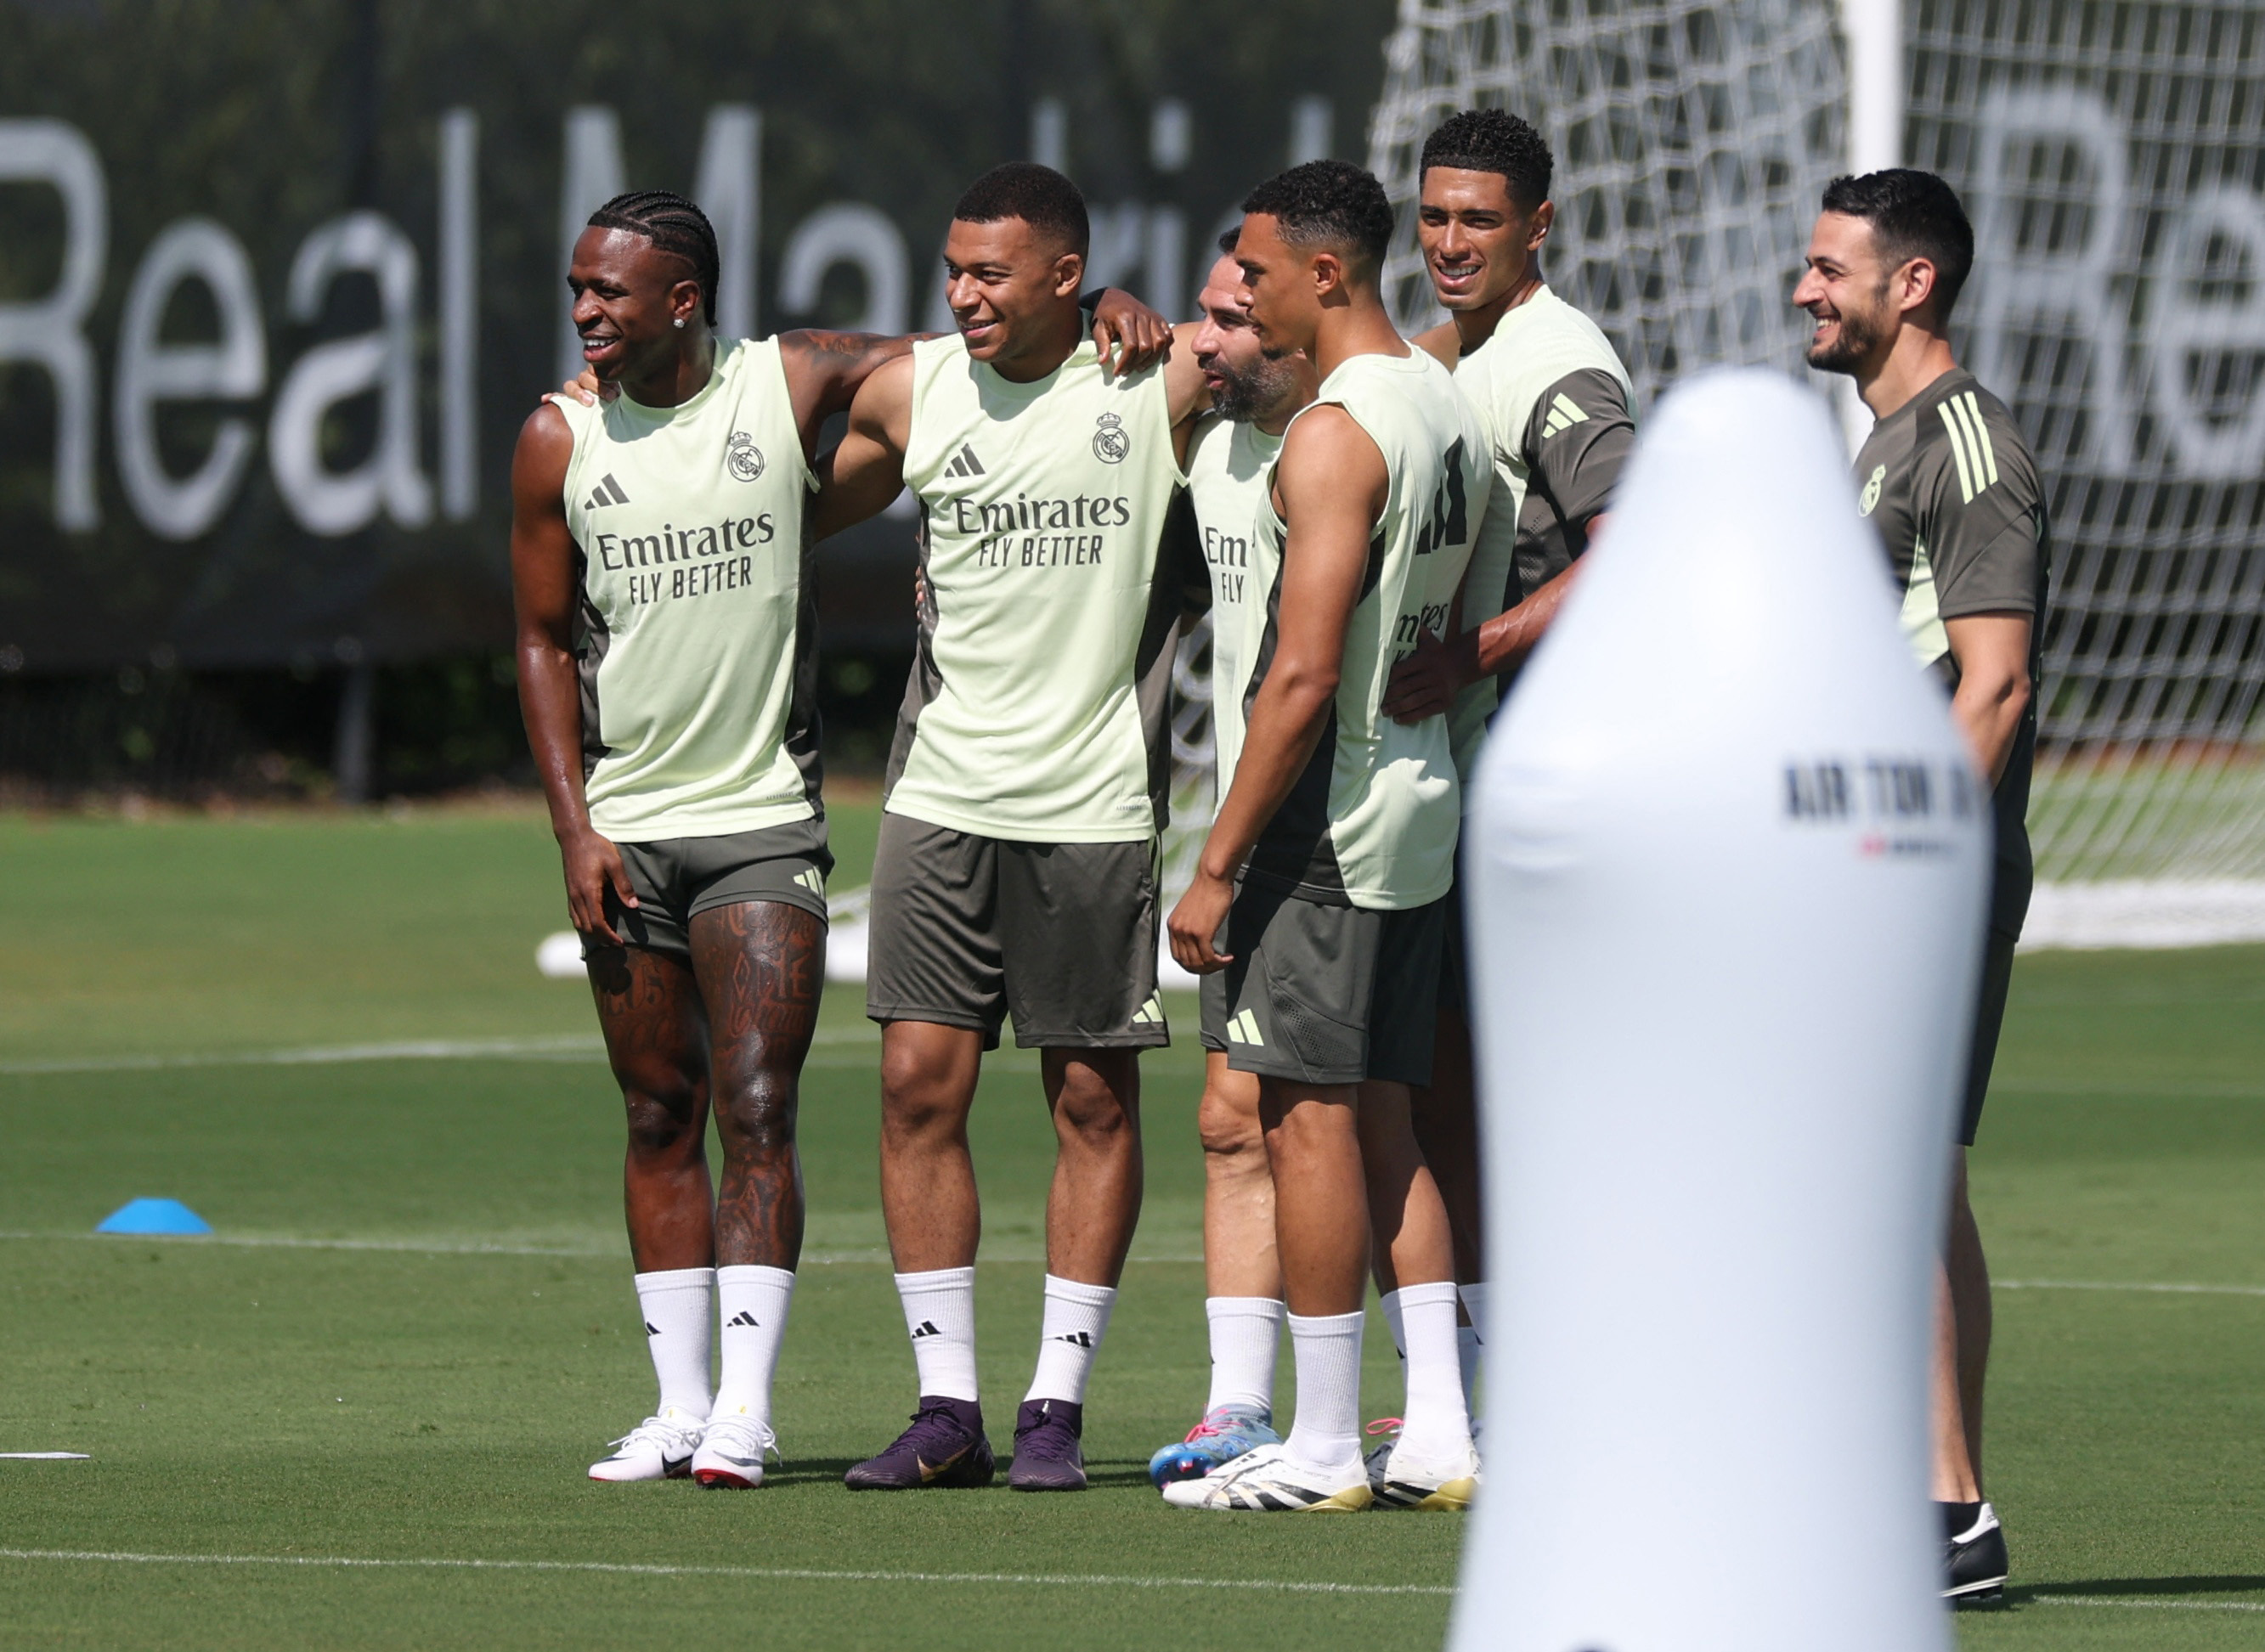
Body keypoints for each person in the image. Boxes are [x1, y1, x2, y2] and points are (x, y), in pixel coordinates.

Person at [513, 189, 1166, 1491]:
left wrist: (1099, 309)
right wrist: (574, 825)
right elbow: (537, 633)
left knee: (759, 1103)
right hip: (627, 824)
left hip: (763, 817)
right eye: (578, 287)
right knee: (658, 1110)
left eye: (609, 292)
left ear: (682, 301)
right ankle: (678, 1403)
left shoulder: (790, 379)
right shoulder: (556, 437)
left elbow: (974, 343)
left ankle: (749, 1414)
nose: (584, 310)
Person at [821, 162, 1211, 1493]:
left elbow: (1289, 342)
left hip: (1093, 802)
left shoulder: (1152, 381)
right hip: (938, 796)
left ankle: (1054, 1403)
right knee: (913, 1087)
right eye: (951, 269)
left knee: (1091, 1096)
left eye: (991, 272)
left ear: (1065, 275)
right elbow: (778, 412)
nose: (961, 293)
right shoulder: (914, 385)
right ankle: (947, 1406)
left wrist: (1135, 305)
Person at [1161, 160, 1491, 1513]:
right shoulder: (1440, 399)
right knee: (1387, 1118)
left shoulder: (1333, 431)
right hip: (1415, 804)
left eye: (1255, 269)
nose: (1239, 290)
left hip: (1327, 824)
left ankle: (1318, 1446)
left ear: (1326, 274)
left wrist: (1220, 860)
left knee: (1306, 1123)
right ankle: (1442, 1431)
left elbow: (1299, 677)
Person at [1795, 167, 2048, 1607]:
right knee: (1913, 1185)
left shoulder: (1961, 442)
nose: (1802, 289)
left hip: (1922, 872)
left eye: (1830, 268)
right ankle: (1936, 1503)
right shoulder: (1888, 440)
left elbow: (1992, 687)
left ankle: (1944, 1510)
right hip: (1884, 860)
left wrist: (1898, 864)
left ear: (1913, 284)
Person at [1378, 109, 1639, 1407]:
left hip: (1535, 787)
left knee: (1483, 1098)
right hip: (1466, 782)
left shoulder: (1557, 364)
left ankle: (1525, 1374)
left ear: (1539, 225)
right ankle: (1482, 1371)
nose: (1447, 242)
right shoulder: (1457, 347)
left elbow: (1633, 541)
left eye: (1478, 219)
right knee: (1443, 1087)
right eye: (1432, 216)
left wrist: (1473, 651)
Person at [1145, 237, 1319, 1488]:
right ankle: (1237, 1406)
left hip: (1353, 826)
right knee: (1228, 1119)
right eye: (1198, 316)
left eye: (1226, 316)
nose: (1202, 339)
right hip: (1248, 823)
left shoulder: (1367, 436)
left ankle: (1433, 1399)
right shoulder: (1207, 447)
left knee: (1366, 1119)